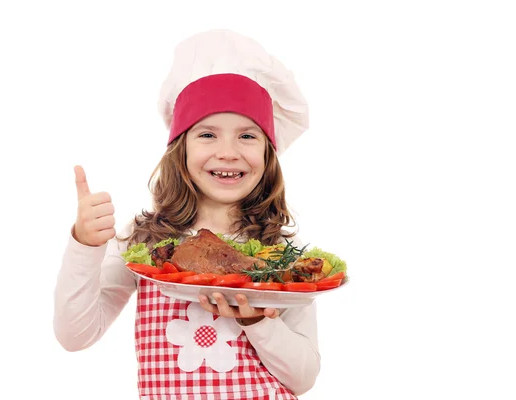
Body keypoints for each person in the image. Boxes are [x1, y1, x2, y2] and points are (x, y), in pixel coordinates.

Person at [53, 29, 320, 400]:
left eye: (247, 136)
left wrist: (257, 320)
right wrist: (85, 244)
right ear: (180, 149)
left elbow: (303, 377)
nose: (227, 152)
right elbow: (75, 336)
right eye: (207, 135)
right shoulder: (143, 241)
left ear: (267, 154)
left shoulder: (278, 252)